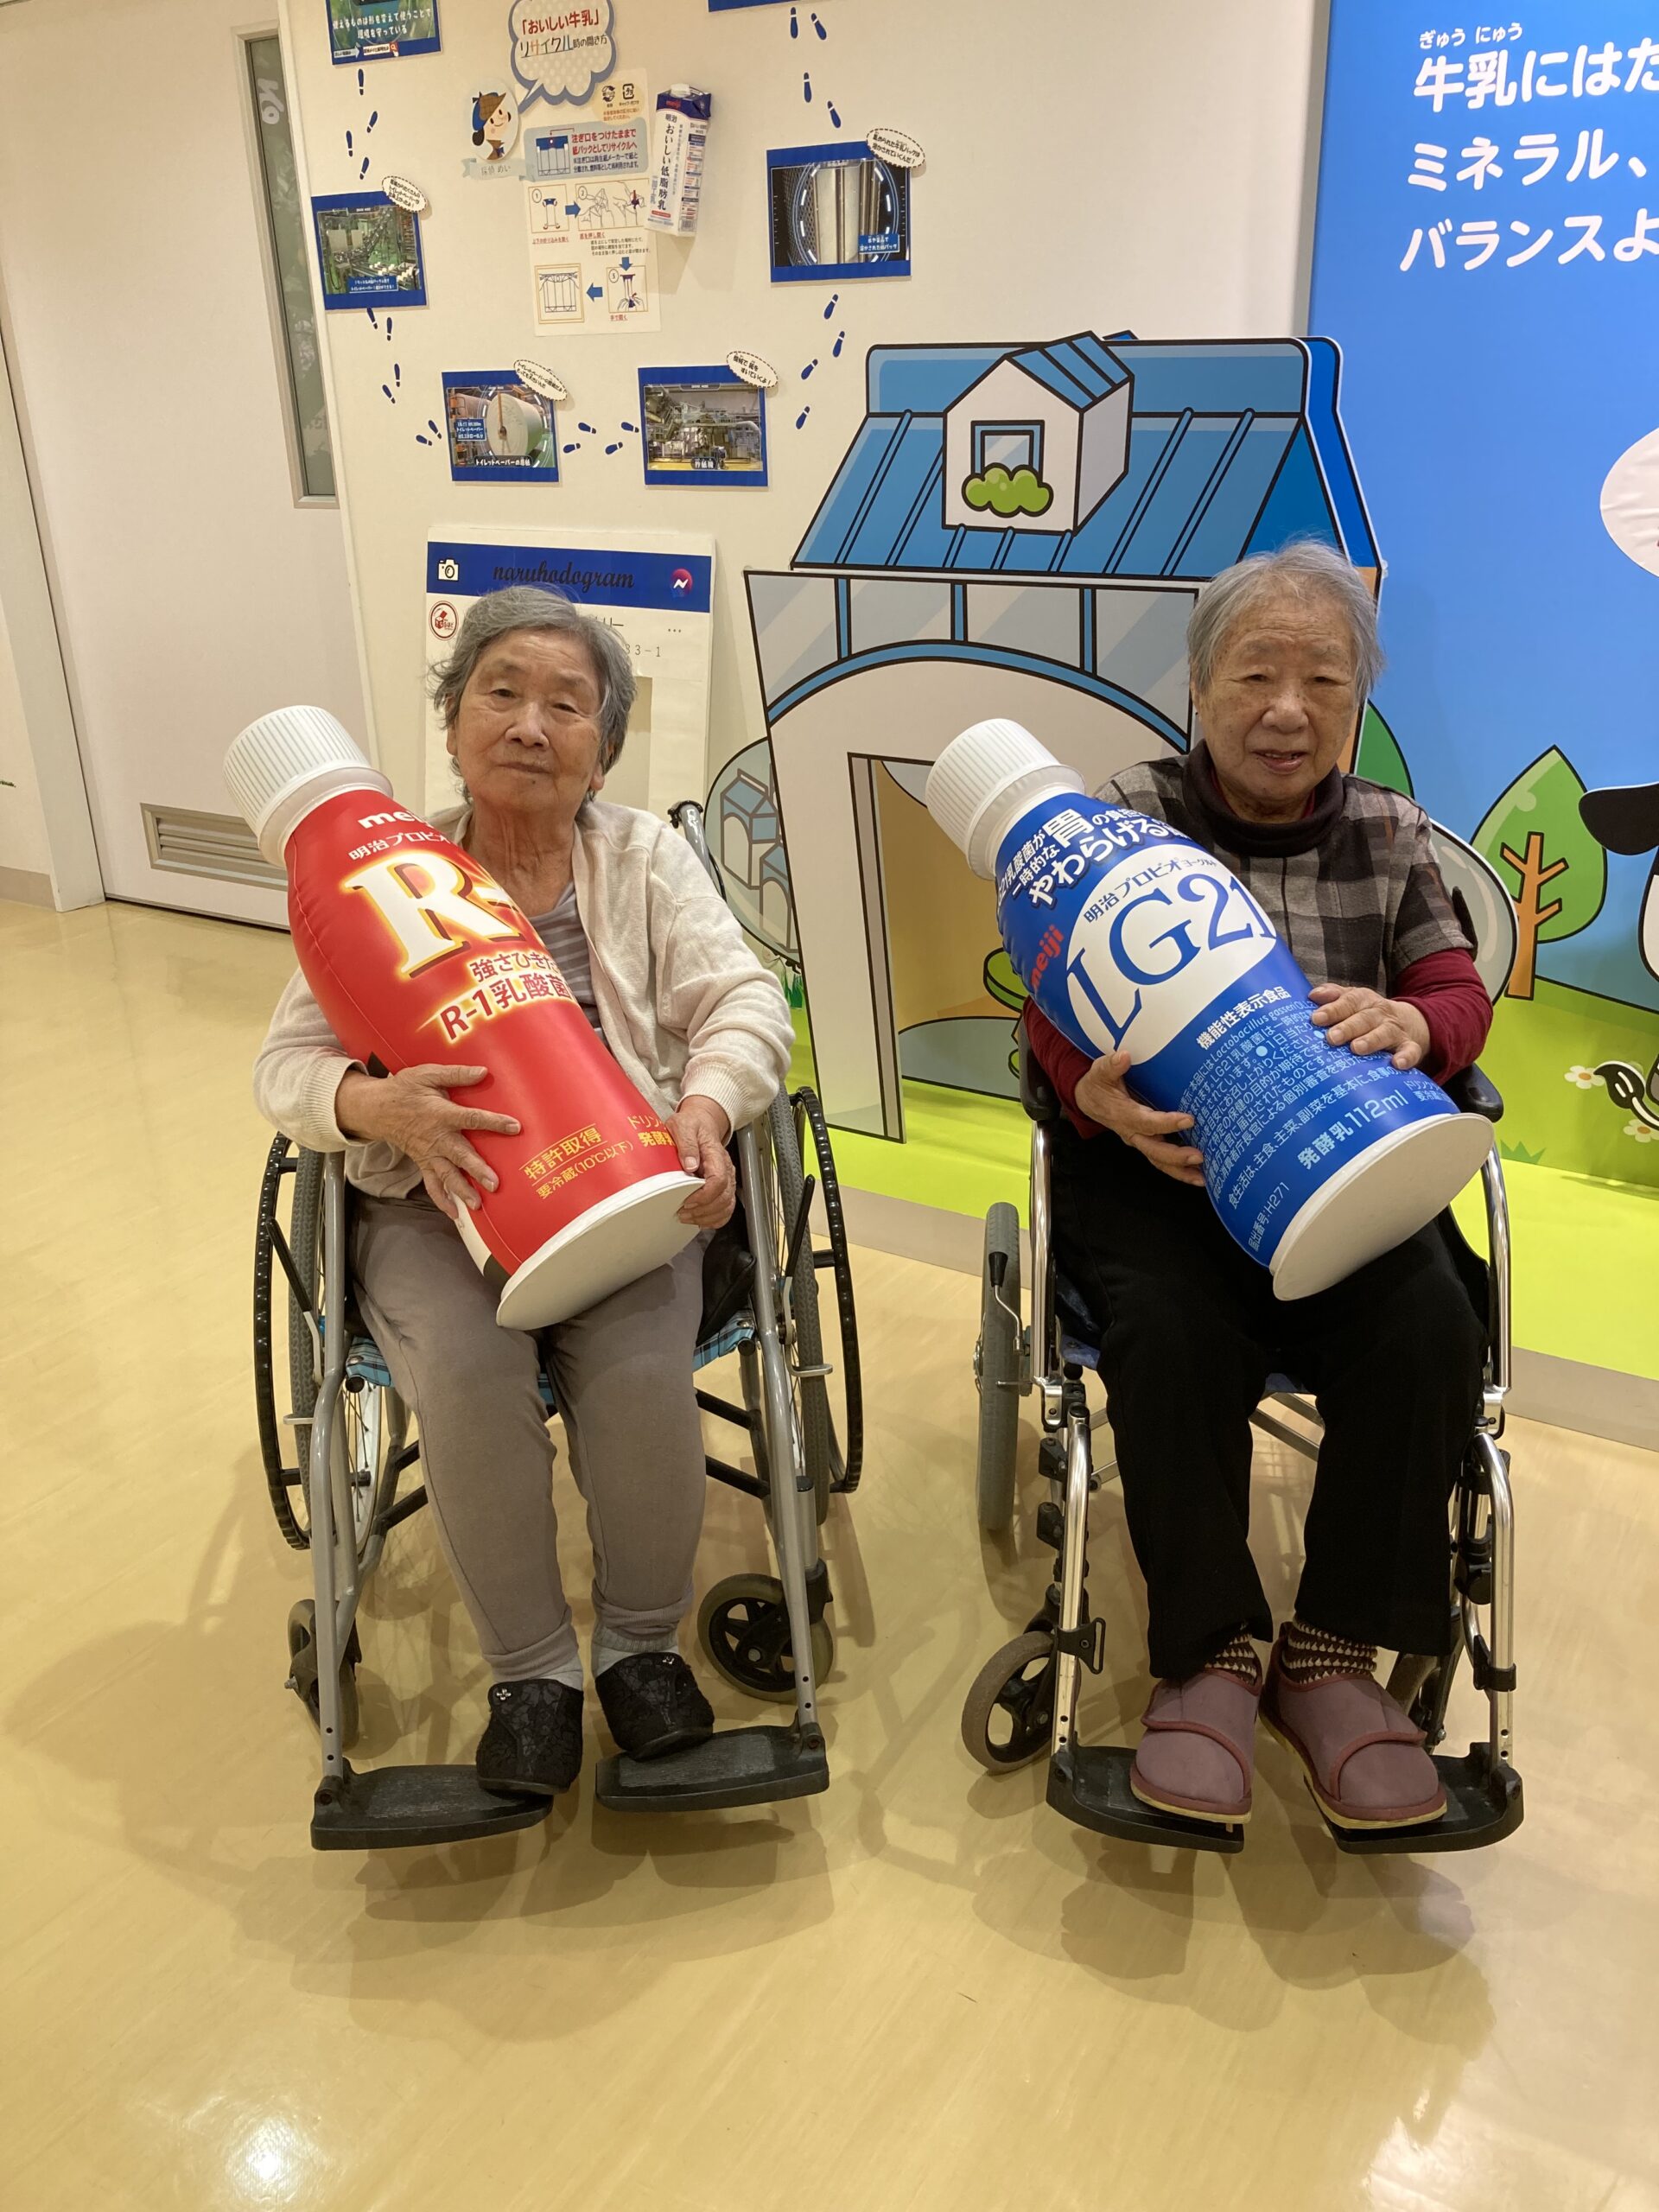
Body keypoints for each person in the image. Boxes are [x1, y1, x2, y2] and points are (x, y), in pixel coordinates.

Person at [254, 587, 794, 1799]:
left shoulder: (643, 857)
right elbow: (284, 1069)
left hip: (623, 1180)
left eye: (568, 705)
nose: (531, 726)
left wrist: (707, 1106)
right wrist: (374, 1105)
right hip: (434, 1195)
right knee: (465, 1371)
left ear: (605, 747)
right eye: (500, 693)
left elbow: (745, 1003)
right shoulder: (381, 872)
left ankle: (642, 1648)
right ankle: (533, 1675)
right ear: (452, 726)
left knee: (642, 1367)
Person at [1024, 541, 1493, 1832]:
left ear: (1356, 700)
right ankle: (1213, 1650)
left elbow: (1453, 989)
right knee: (1168, 1331)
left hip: (1339, 1165)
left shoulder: (1389, 832)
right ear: (1199, 686)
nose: (1289, 710)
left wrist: (1418, 1026)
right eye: (1256, 676)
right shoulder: (1121, 817)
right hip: (1170, 1171)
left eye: (1324, 682)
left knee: (1430, 1325)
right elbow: (1049, 1008)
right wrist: (1087, 1091)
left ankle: (1333, 1652)